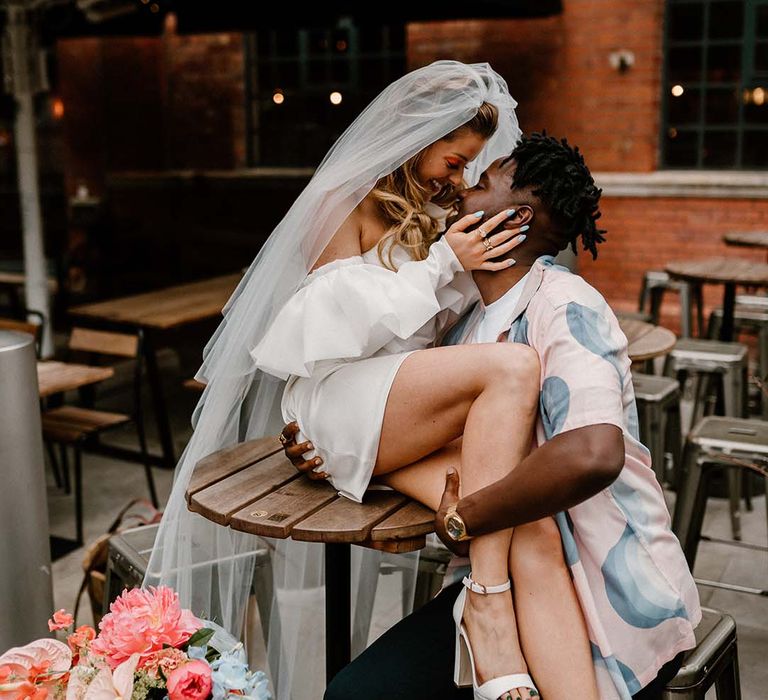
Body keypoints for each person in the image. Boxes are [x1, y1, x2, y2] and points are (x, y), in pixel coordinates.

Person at [145, 61, 560, 700]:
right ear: (417, 140)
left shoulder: (429, 211)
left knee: (518, 504)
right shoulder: (341, 200)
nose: (458, 178)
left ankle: (551, 667)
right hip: (335, 396)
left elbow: (433, 332)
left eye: (468, 167)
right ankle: (488, 612)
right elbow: (332, 321)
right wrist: (446, 261)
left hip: (390, 407)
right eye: (452, 162)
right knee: (513, 369)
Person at [282, 132, 701, 700]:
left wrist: (465, 518)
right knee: (354, 693)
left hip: (609, 596)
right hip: (509, 578)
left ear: (516, 218)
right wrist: (338, 447)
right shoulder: (461, 327)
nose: (458, 189)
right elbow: (434, 449)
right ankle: (488, 619)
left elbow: (593, 453)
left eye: (481, 182)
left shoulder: (563, 303)